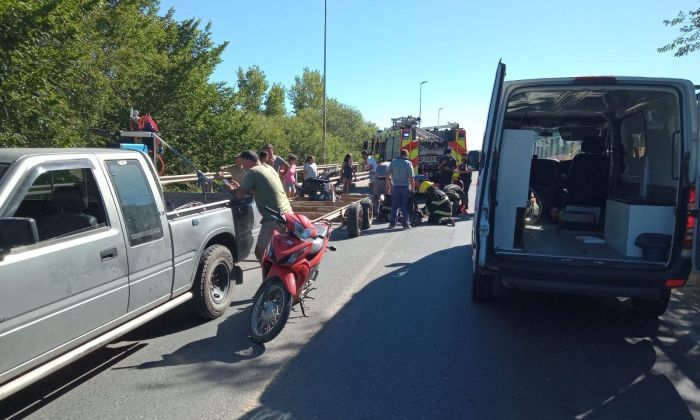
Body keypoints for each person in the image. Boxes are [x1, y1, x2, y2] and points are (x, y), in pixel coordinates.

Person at [222, 150, 292, 263]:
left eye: (243, 164)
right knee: (282, 250)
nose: (242, 168)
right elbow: (261, 188)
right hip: (287, 213)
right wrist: (242, 187)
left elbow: (239, 195)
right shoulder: (268, 168)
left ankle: (271, 276)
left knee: (260, 252)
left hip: (274, 218)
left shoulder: (253, 171)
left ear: (249, 161)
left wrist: (233, 189)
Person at [386, 149, 415, 229]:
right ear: (406, 154)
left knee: (394, 207)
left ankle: (392, 224)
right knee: (404, 206)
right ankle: (405, 224)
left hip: (395, 187)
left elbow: (388, 175)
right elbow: (411, 178)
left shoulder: (393, 162)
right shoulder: (408, 163)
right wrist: (412, 190)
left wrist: (388, 186)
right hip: (405, 187)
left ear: (400, 154)